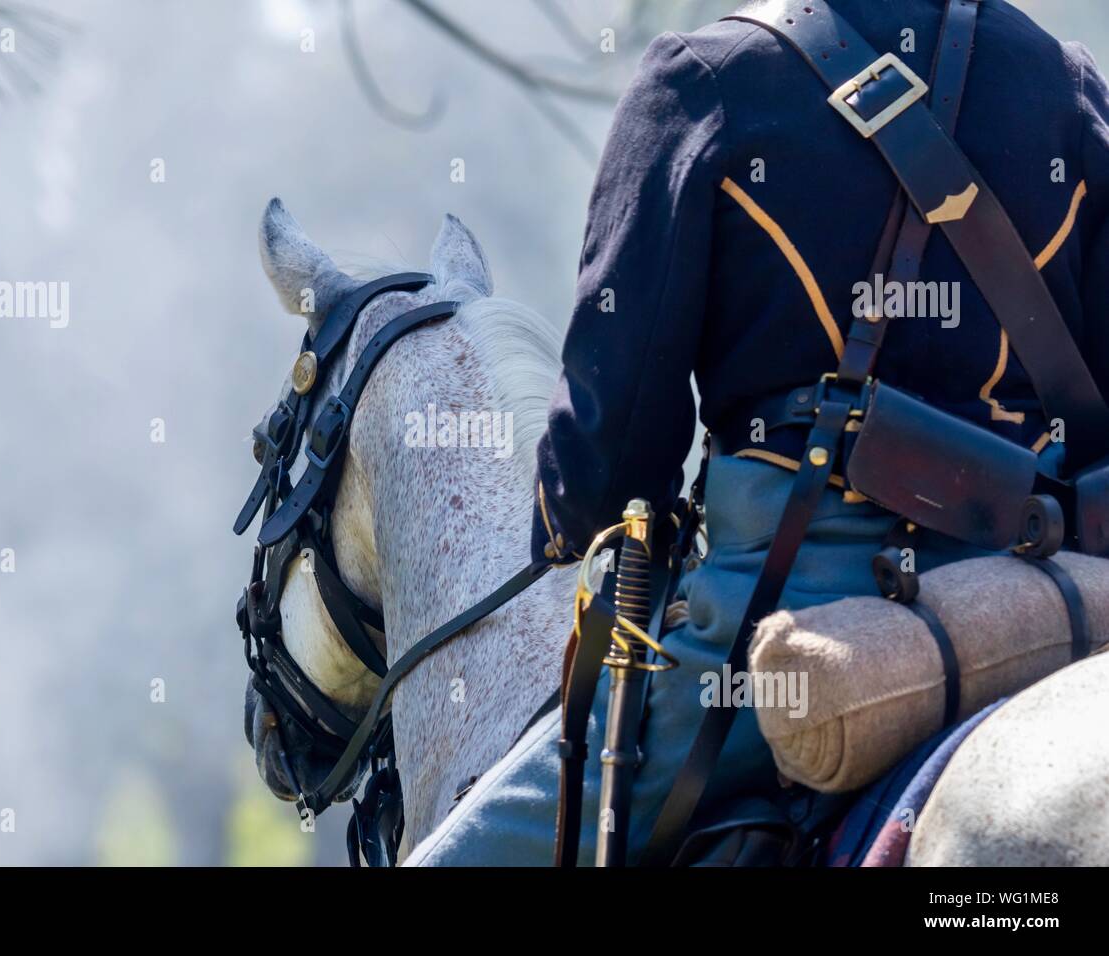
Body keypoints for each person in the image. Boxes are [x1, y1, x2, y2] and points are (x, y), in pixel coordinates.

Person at [405, 0, 1109, 866]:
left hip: (783, 615)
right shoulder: (1066, 85)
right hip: (1046, 595)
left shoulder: (705, 84)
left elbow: (614, 457)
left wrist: (574, 520)